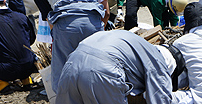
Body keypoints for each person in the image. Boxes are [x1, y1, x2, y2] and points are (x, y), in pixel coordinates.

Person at [56, 30, 186, 104]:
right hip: (102, 69)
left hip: (72, 62)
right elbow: (160, 100)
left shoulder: (142, 47)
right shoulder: (159, 64)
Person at [31, 0, 105, 93]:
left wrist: (56, 42)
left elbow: (50, 21)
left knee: (63, 67)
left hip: (68, 23)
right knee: (95, 63)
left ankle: (65, 97)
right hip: (95, 21)